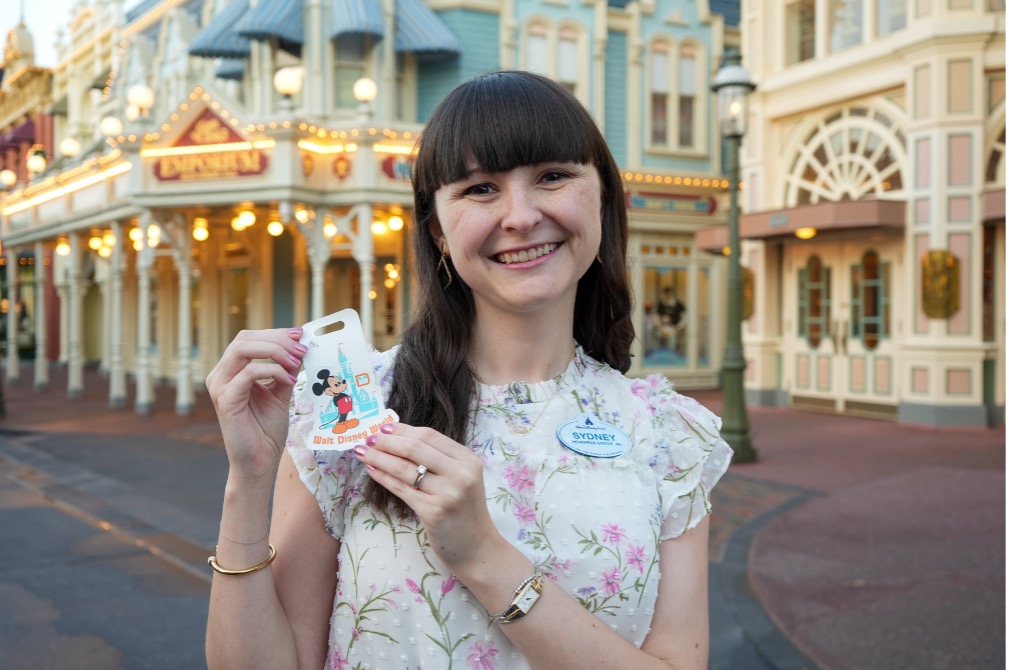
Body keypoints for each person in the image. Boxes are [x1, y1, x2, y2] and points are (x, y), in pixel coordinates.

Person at [205, 70, 732, 670]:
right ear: (437, 227)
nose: (521, 215)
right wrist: (247, 480)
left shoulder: (668, 436)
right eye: (480, 188)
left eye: (553, 176)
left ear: (603, 196)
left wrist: (483, 554)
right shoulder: (354, 410)